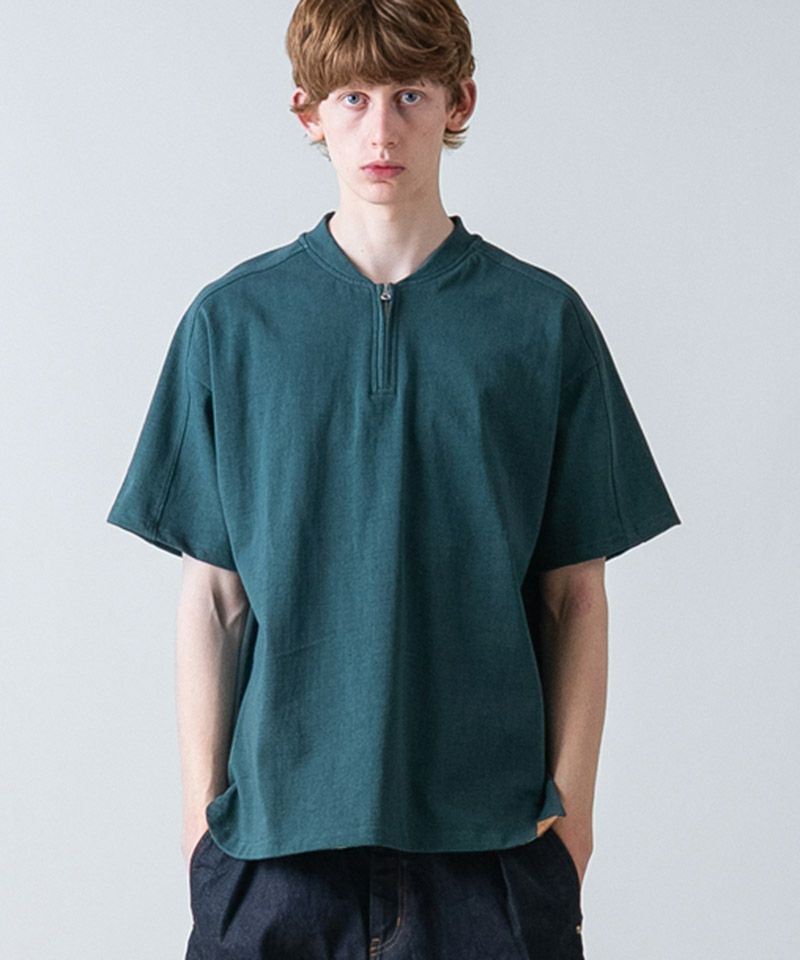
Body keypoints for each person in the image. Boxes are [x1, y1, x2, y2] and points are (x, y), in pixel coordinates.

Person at [106, 1, 681, 957]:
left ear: (460, 102)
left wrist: (571, 822)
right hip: (275, 848)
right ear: (307, 111)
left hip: (492, 845)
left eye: (410, 95)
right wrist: (200, 824)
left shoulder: (540, 323)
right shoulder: (233, 324)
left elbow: (575, 596)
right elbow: (213, 598)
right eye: (352, 97)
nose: (381, 131)